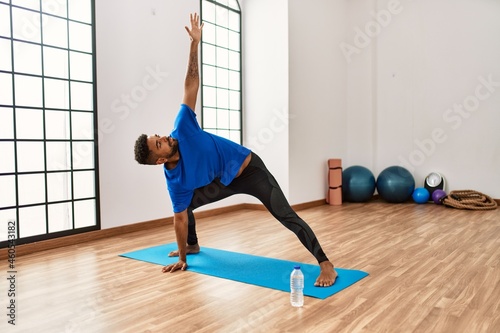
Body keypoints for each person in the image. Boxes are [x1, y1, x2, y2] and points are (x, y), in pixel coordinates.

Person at [134, 13, 337, 287]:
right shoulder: (175, 181)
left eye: (159, 136)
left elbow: (191, 84)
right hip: (223, 183)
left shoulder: (182, 128)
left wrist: (194, 45)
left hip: (249, 169)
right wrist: (183, 257)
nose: (164, 137)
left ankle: (326, 263)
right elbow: (179, 219)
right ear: (160, 160)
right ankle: (193, 247)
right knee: (184, 205)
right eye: (159, 143)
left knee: (284, 214)